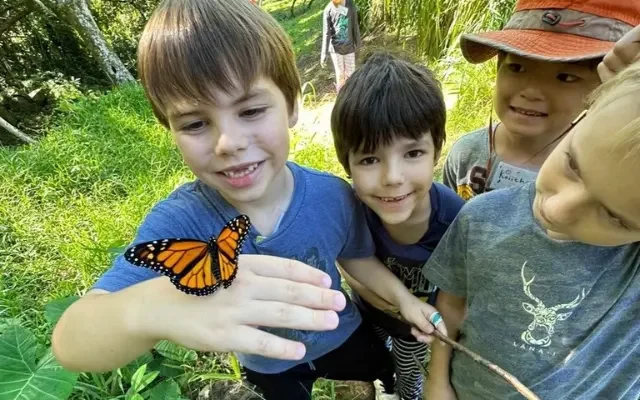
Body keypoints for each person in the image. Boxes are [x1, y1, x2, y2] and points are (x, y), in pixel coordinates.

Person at [51, 1, 444, 399]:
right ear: (168, 128)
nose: (229, 143)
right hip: (267, 364)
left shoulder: (331, 195)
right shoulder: (182, 223)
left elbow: (355, 257)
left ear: (292, 105)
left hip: (341, 334)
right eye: (195, 123)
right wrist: (150, 307)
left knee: (378, 380)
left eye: (252, 110)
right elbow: (71, 343)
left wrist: (402, 299)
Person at [424, 61, 640, 399]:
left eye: (614, 217)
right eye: (572, 164)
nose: (556, 209)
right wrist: (436, 382)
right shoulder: (480, 216)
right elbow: (451, 305)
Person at [331, 52, 464, 400]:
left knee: (407, 374)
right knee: (373, 362)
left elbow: (459, 303)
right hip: (366, 311)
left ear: (438, 149)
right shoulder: (350, 210)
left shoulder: (458, 222)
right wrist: (393, 301)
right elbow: (346, 259)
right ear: (347, 163)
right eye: (370, 159)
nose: (393, 178)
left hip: (417, 330)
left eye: (413, 153)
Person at [443, 0, 640, 201]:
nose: (531, 92)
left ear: (603, 87)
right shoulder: (466, 153)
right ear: (498, 67)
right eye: (517, 68)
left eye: (565, 77)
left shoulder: (605, 171)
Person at [321, 0, 361, 92]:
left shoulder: (350, 5)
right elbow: (326, 32)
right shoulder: (328, 9)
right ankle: (341, 99)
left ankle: (352, 99)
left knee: (351, 76)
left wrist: (358, 45)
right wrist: (324, 53)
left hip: (350, 48)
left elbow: (355, 25)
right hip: (336, 50)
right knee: (340, 77)